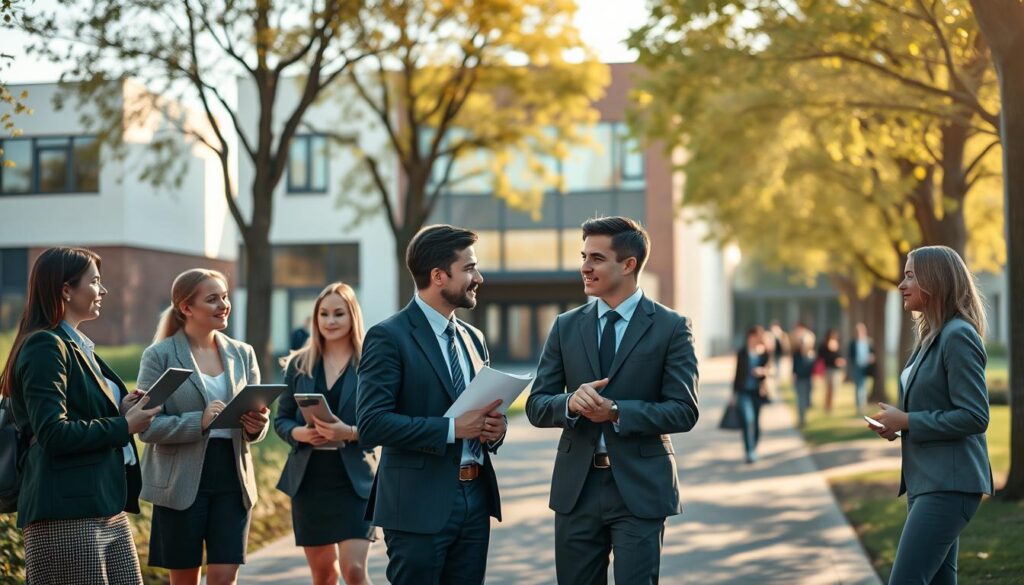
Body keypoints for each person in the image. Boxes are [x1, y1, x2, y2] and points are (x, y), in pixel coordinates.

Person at [525, 216, 699, 585]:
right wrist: (570, 403)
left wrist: (617, 411)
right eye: (583, 256)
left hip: (640, 489)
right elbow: (537, 404)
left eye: (597, 258)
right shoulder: (565, 326)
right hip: (577, 490)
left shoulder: (671, 327)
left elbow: (684, 410)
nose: (585, 267)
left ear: (628, 264)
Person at [356, 224, 506, 585]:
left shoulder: (474, 338)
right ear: (439, 276)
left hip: (475, 499)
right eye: (469, 268)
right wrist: (454, 429)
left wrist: (494, 430)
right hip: (415, 507)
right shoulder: (387, 337)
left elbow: (480, 410)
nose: (478, 277)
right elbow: (371, 424)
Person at [0, 247, 160, 584]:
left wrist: (121, 411)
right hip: (65, 511)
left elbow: (79, 412)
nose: (103, 291)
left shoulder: (78, 345)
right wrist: (123, 425)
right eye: (95, 282)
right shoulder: (45, 345)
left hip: (104, 505)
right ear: (65, 289)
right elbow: (53, 433)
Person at [136, 269, 270, 585]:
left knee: (225, 578)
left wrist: (256, 425)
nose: (223, 304)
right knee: (184, 581)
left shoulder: (243, 353)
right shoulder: (160, 355)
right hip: (180, 480)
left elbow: (257, 426)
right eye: (212, 299)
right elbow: (145, 426)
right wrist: (200, 421)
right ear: (186, 307)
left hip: (233, 478)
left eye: (224, 297)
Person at [869, 246, 993, 585]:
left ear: (934, 281)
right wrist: (897, 425)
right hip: (928, 483)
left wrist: (908, 421)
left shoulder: (958, 336)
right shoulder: (931, 337)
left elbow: (974, 415)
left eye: (910, 275)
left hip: (950, 485)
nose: (901, 284)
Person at [274, 282, 377, 585]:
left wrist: (351, 432)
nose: (330, 321)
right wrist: (298, 434)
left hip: (356, 482)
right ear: (316, 318)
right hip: (310, 482)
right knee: (323, 574)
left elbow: (385, 425)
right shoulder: (299, 364)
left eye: (338, 314)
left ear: (352, 317)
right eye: (324, 314)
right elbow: (281, 420)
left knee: (354, 570)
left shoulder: (371, 365)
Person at [732, 327, 770, 463]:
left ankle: (753, 447)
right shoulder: (742, 352)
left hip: (757, 392)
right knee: (748, 420)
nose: (754, 339)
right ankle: (749, 452)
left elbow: (769, 370)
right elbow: (737, 374)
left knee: (757, 425)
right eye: (753, 336)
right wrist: (733, 394)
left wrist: (763, 371)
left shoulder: (764, 353)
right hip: (743, 392)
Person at [847, 323, 876, 415]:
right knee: (858, 386)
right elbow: (850, 355)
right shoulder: (853, 343)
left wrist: (871, 358)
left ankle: (863, 405)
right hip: (857, 366)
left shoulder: (869, 341)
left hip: (866, 367)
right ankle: (860, 406)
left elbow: (872, 353)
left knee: (864, 386)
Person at [791, 331, 817, 428]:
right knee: (800, 400)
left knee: (807, 401)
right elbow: (794, 367)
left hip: (808, 379)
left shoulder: (811, 354)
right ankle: (802, 420)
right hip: (799, 380)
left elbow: (815, 369)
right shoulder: (796, 354)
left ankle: (804, 416)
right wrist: (793, 376)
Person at [818, 329, 845, 414]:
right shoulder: (824, 345)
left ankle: (830, 406)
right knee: (828, 388)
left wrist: (840, 361)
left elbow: (840, 355)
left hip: (836, 369)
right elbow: (821, 356)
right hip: (828, 369)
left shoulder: (838, 344)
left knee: (834, 388)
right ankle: (827, 407)